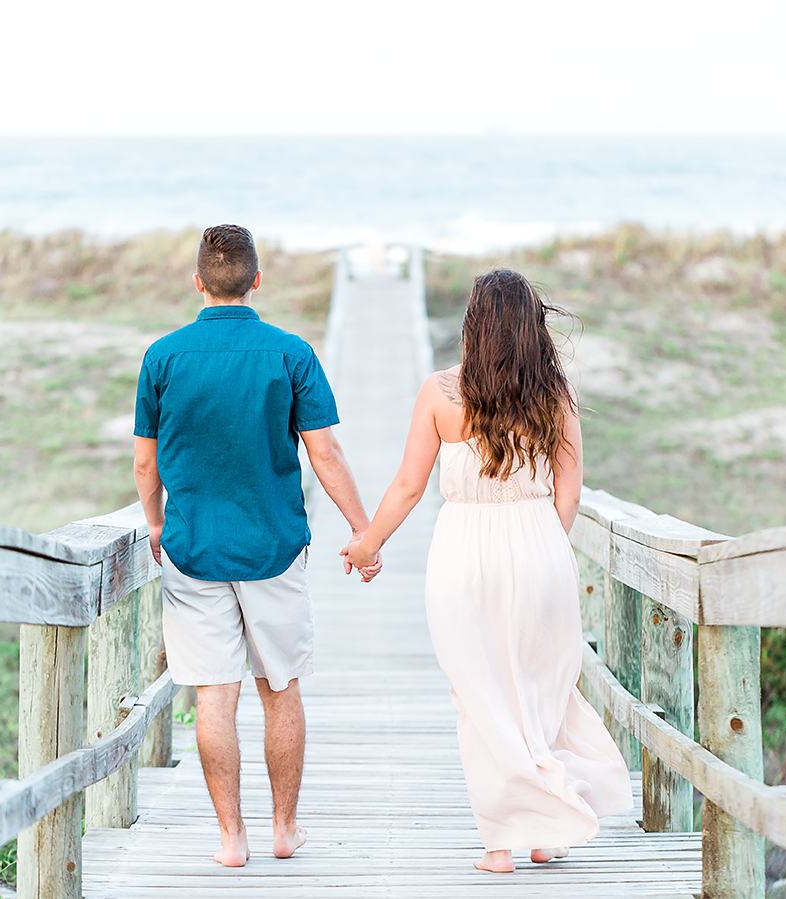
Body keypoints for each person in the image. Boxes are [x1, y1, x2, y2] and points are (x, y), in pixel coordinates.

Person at [342, 268, 633, 873]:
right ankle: (544, 834)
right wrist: (547, 548)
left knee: (478, 693)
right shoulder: (555, 394)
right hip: (539, 542)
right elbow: (571, 491)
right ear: (533, 326)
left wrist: (368, 544)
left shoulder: (440, 392)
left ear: (475, 324)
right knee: (539, 685)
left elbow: (406, 487)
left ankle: (498, 844)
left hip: (463, 550)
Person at [133, 224, 379, 867]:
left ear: (198, 283)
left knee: (214, 694)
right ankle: (283, 829)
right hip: (274, 544)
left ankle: (229, 838)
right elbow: (324, 451)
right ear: (256, 281)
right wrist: (362, 529)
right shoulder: (289, 354)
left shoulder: (163, 357)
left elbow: (144, 464)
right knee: (282, 687)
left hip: (194, 548)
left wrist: (156, 524)